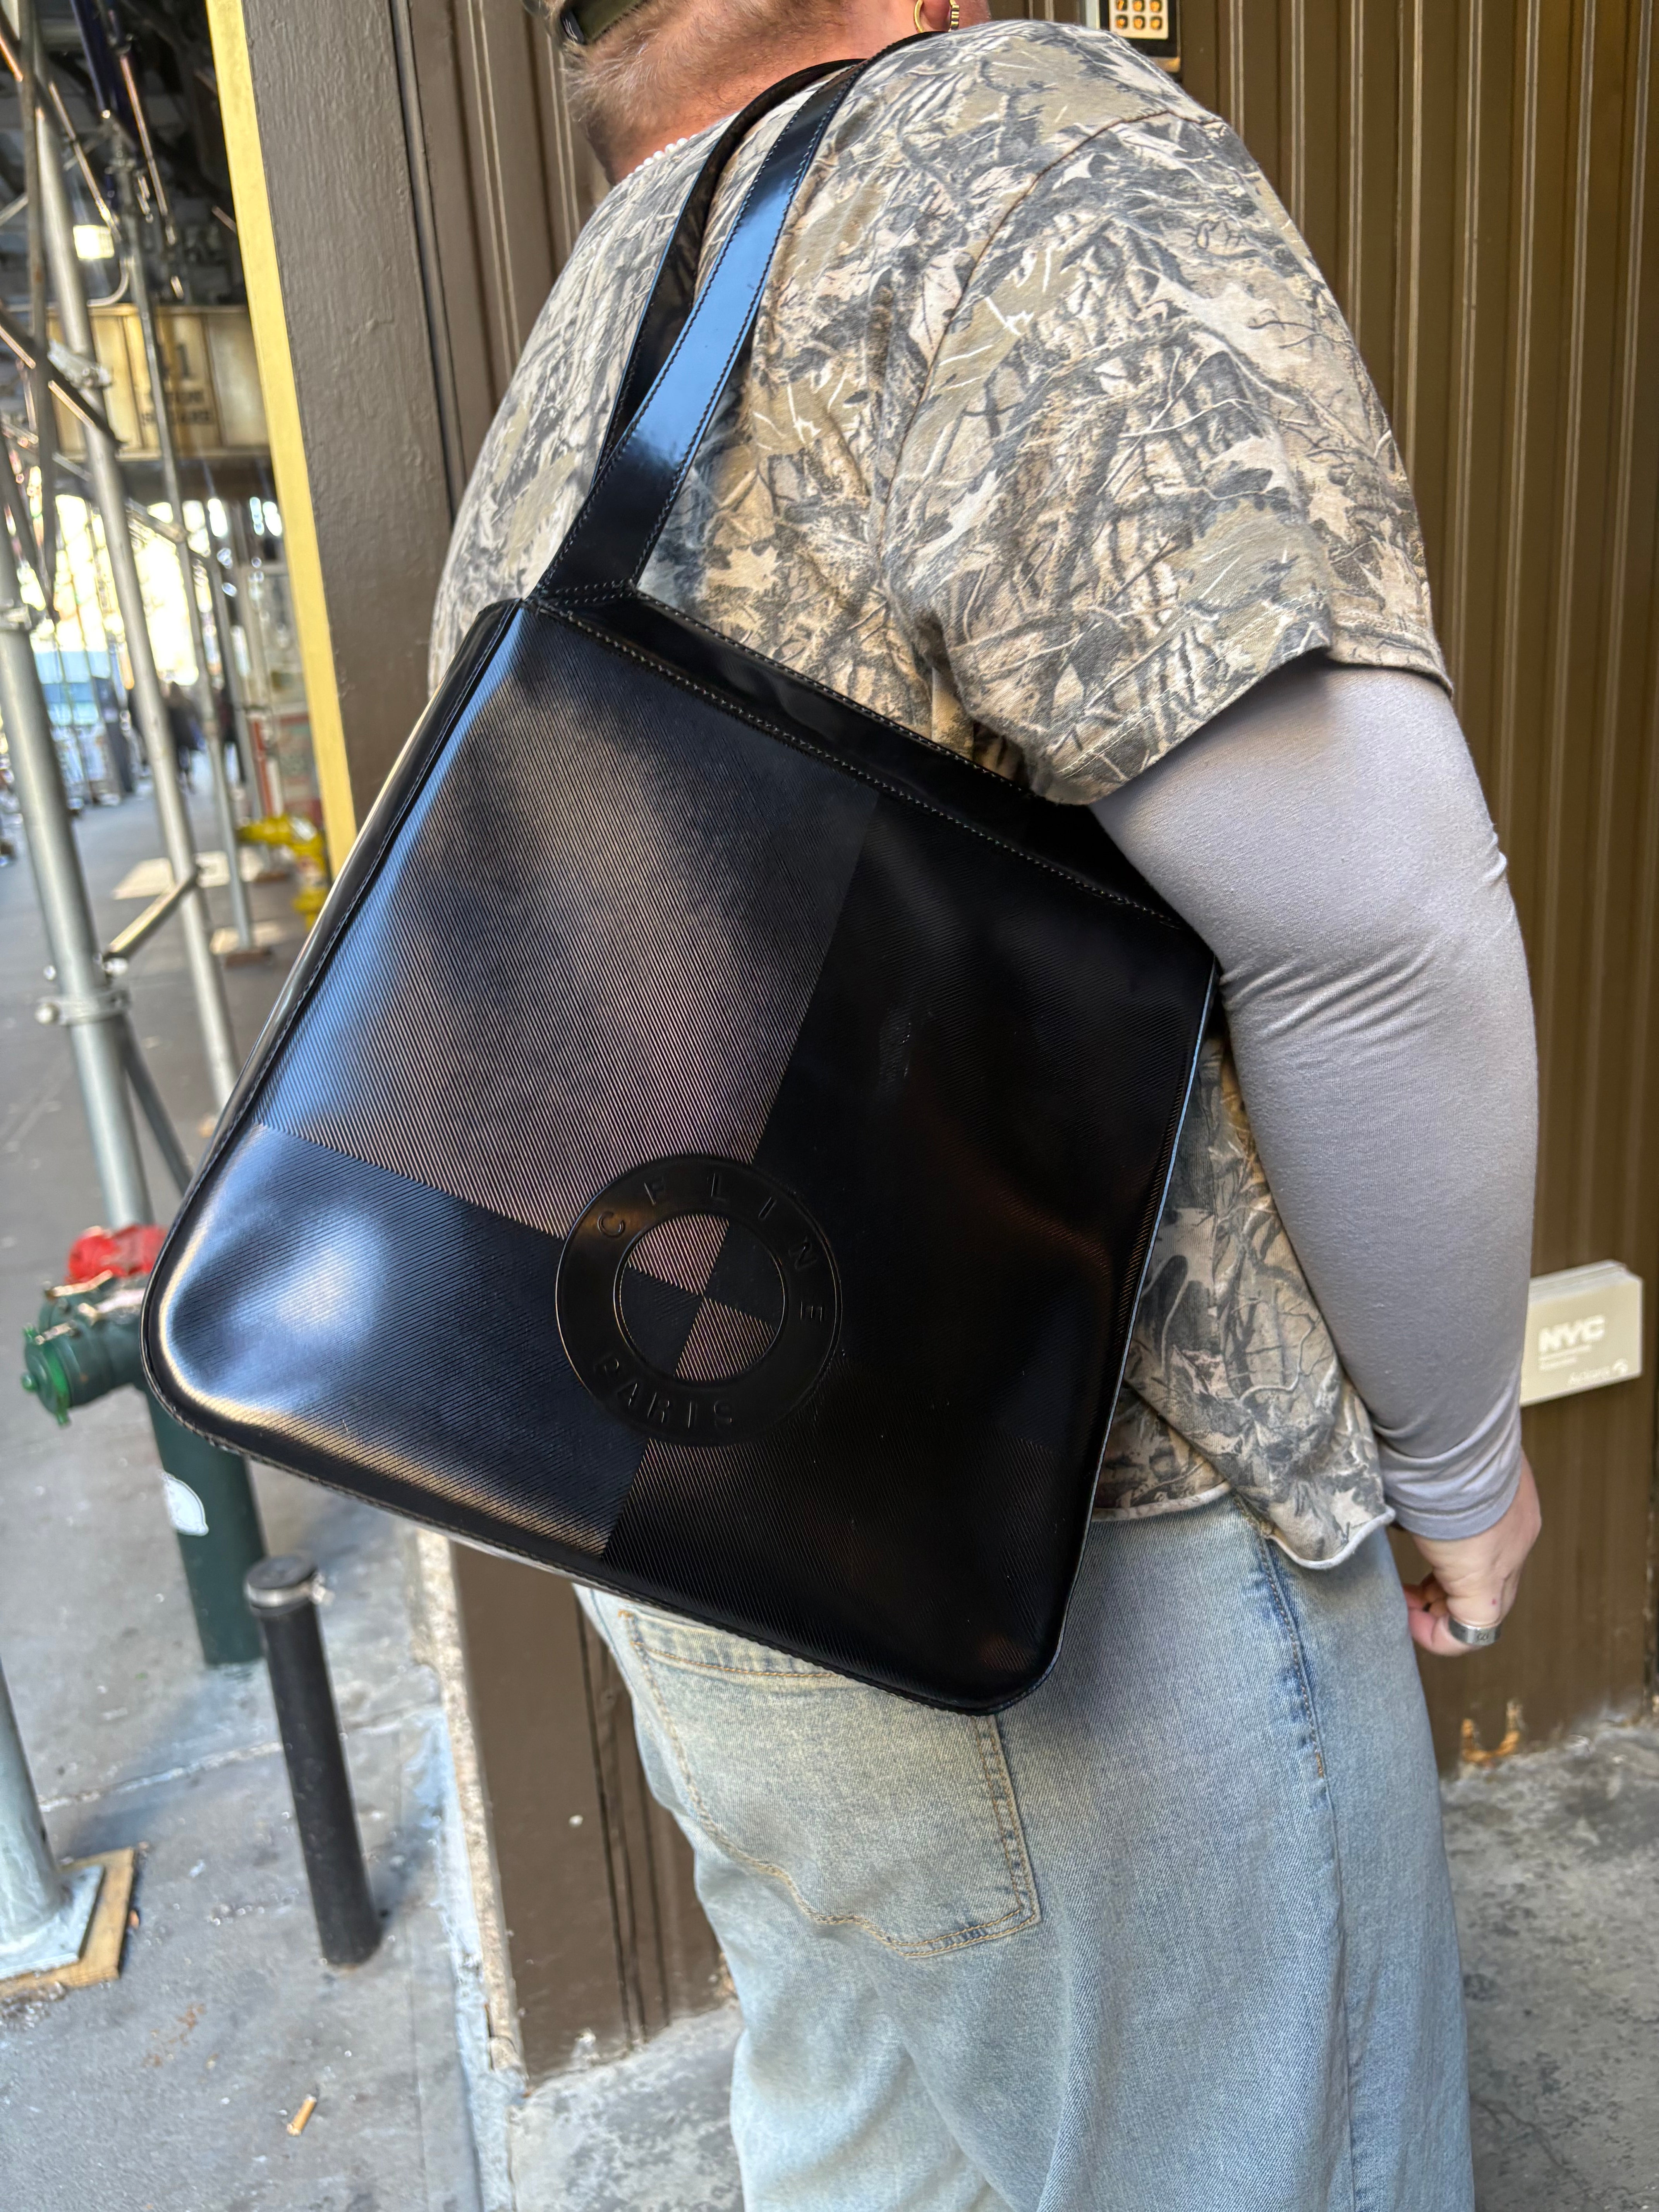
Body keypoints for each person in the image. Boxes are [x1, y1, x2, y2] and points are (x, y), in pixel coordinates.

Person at [433, 7, 1540, 2206]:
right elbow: (1368, 938)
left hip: (688, 1511)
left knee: (872, 2149)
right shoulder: (1016, 153)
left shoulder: (610, 314)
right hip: (1081, 1558)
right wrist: (1463, 1464)